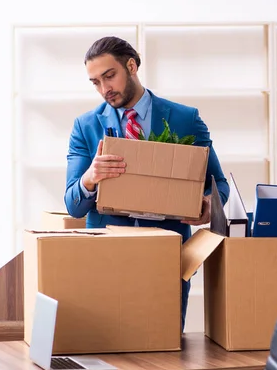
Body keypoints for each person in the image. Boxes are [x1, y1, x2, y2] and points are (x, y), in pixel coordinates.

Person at [64, 36, 230, 332]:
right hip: (107, 258)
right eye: (95, 82)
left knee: (164, 347)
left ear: (131, 66)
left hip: (168, 256)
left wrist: (207, 206)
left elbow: (218, 185)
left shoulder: (184, 119)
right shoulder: (85, 126)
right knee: (108, 346)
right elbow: (73, 206)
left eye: (109, 76)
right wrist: (91, 176)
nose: (105, 90)